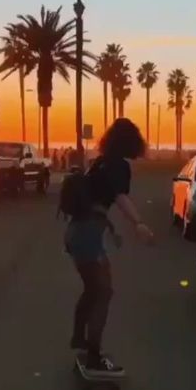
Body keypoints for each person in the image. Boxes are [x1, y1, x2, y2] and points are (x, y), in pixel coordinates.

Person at [64, 118, 154, 376]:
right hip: (88, 236)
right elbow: (119, 197)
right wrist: (138, 223)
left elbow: (96, 203)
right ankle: (93, 353)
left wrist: (112, 230)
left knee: (93, 289)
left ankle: (79, 337)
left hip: (76, 233)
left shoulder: (99, 163)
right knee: (104, 292)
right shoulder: (119, 167)